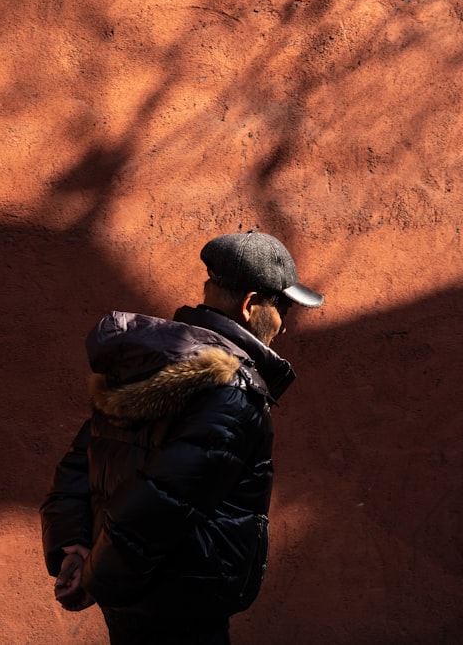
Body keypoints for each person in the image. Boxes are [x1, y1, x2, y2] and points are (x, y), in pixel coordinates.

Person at [40, 231, 324, 645]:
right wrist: (94, 581)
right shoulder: (231, 393)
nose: (283, 324)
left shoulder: (154, 362)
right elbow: (154, 508)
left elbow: (76, 466)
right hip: (181, 606)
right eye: (281, 306)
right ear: (250, 306)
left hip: (135, 601)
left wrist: (73, 547)